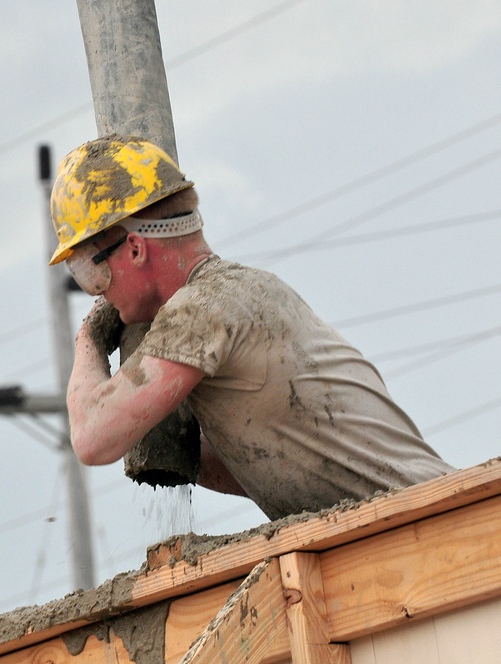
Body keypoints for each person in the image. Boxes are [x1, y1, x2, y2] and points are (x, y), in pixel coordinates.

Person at [48, 134, 455, 521]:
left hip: (432, 526)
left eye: (91, 273)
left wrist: (90, 338)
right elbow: (282, 459)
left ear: (135, 248)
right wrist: (177, 453)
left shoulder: (199, 310)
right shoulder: (254, 290)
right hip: (429, 509)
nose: (98, 295)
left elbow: (92, 437)